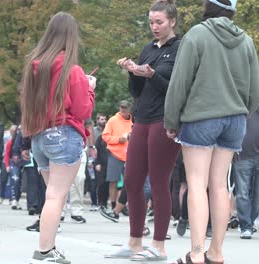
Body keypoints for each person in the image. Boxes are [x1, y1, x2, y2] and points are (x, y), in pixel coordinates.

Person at [164, 0, 259, 263]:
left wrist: (171, 119)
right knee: (220, 187)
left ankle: (195, 253)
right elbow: (255, 92)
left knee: (196, 184)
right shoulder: (247, 42)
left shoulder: (197, 34)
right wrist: (241, 112)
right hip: (235, 120)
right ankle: (216, 253)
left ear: (209, 6)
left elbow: (180, 81)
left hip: (201, 117)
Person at [107, 0, 181, 261]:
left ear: (172, 21)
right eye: (151, 22)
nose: (154, 27)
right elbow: (136, 92)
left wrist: (152, 76)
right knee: (132, 180)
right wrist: (133, 72)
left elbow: (175, 88)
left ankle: (159, 245)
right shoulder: (147, 49)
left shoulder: (180, 48)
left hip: (164, 120)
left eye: (159, 22)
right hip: (141, 118)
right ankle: (134, 241)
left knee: (160, 182)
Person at [20, 12, 95, 263]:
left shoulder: (35, 66)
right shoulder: (72, 70)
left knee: (52, 195)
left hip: (39, 136)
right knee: (56, 196)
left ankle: (48, 248)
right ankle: (44, 251)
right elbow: (83, 111)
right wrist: (90, 89)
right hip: (64, 133)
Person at [101, 100, 132, 214]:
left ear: (129, 109)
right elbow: (105, 136)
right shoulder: (113, 120)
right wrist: (119, 140)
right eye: (121, 107)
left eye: (125, 108)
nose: (123, 110)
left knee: (128, 182)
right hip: (115, 154)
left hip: (130, 156)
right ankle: (113, 205)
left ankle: (122, 206)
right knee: (113, 181)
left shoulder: (133, 120)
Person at [233, 109, 259, 239]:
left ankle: (250, 221)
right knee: (242, 193)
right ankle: (246, 226)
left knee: (257, 195)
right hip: (242, 156)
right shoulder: (240, 105)